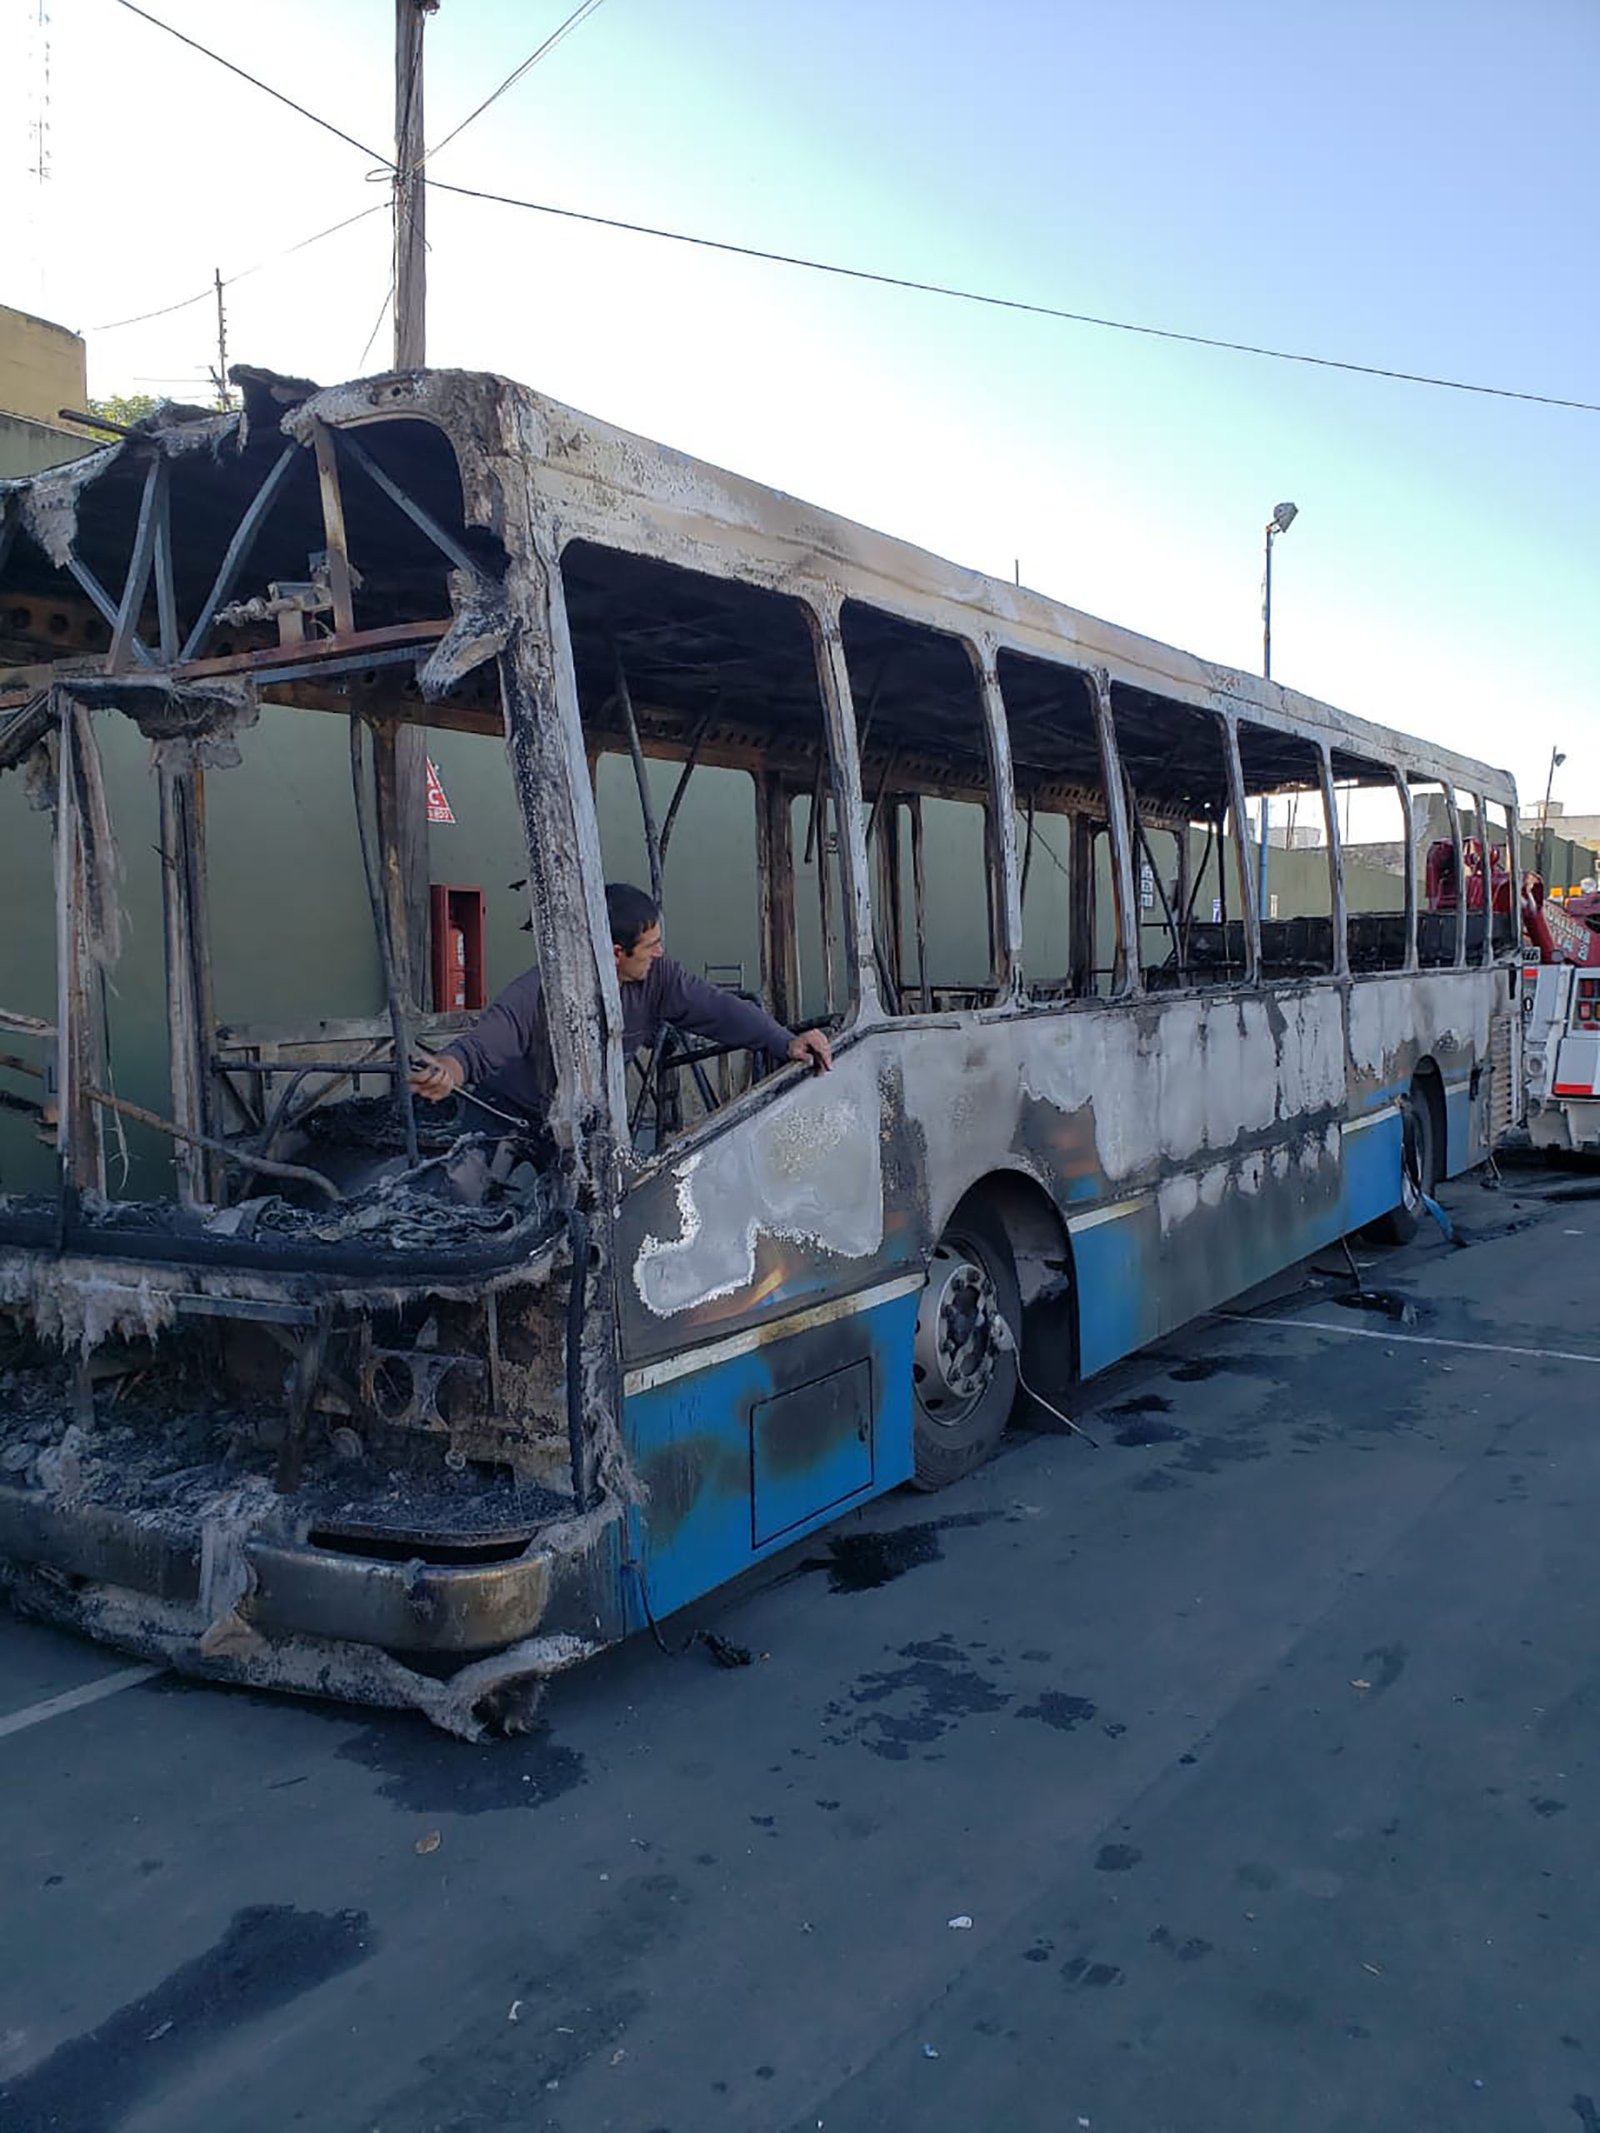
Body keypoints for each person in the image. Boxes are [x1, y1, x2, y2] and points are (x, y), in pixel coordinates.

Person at [409, 882, 832, 1121]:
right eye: (650, 946)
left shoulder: (660, 978)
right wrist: (449, 1068)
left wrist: (784, 1041)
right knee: (471, 1193)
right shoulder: (543, 990)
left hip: (585, 1123)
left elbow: (720, 1009)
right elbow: (490, 1039)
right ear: (615, 953)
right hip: (505, 1115)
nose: (659, 953)